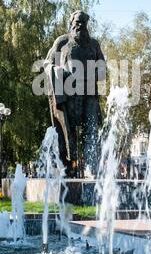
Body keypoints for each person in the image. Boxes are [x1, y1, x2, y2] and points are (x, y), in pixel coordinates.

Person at [45, 10, 106, 177]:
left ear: (87, 25)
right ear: (71, 23)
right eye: (77, 22)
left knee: (91, 131)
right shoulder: (62, 42)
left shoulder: (94, 44)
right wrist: (57, 70)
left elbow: (102, 68)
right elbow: (47, 63)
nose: (79, 26)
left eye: (83, 23)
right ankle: (66, 170)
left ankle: (92, 169)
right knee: (66, 132)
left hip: (89, 94)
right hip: (68, 94)